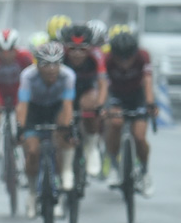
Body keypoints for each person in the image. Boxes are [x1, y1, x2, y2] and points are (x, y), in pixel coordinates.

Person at [16, 41, 76, 219]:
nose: (51, 69)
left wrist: (67, 128)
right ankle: (33, 193)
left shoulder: (68, 75)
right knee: (33, 151)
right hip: (34, 110)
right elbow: (23, 106)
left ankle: (64, 174)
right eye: (45, 64)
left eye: (55, 64)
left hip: (56, 109)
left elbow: (67, 105)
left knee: (62, 138)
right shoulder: (27, 76)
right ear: (37, 64)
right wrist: (20, 128)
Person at [103, 31, 154, 196]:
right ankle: (113, 166)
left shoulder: (143, 56)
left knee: (139, 136)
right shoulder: (107, 59)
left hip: (137, 96)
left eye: (128, 58)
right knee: (115, 123)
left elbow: (147, 80)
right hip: (117, 96)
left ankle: (145, 173)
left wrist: (150, 103)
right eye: (120, 58)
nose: (124, 63)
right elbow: (103, 84)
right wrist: (102, 106)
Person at [59, 23, 107, 176]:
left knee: (90, 105)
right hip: (63, 92)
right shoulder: (59, 54)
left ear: (91, 47)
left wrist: (99, 105)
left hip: (86, 90)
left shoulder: (97, 56)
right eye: (72, 48)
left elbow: (102, 83)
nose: (77, 54)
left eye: (83, 49)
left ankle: (91, 147)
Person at [0, 28, 33, 157]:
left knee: (22, 122)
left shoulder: (25, 57)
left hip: (18, 92)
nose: (6, 55)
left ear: (16, 48)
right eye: (2, 51)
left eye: (10, 51)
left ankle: (25, 156)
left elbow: (34, 77)